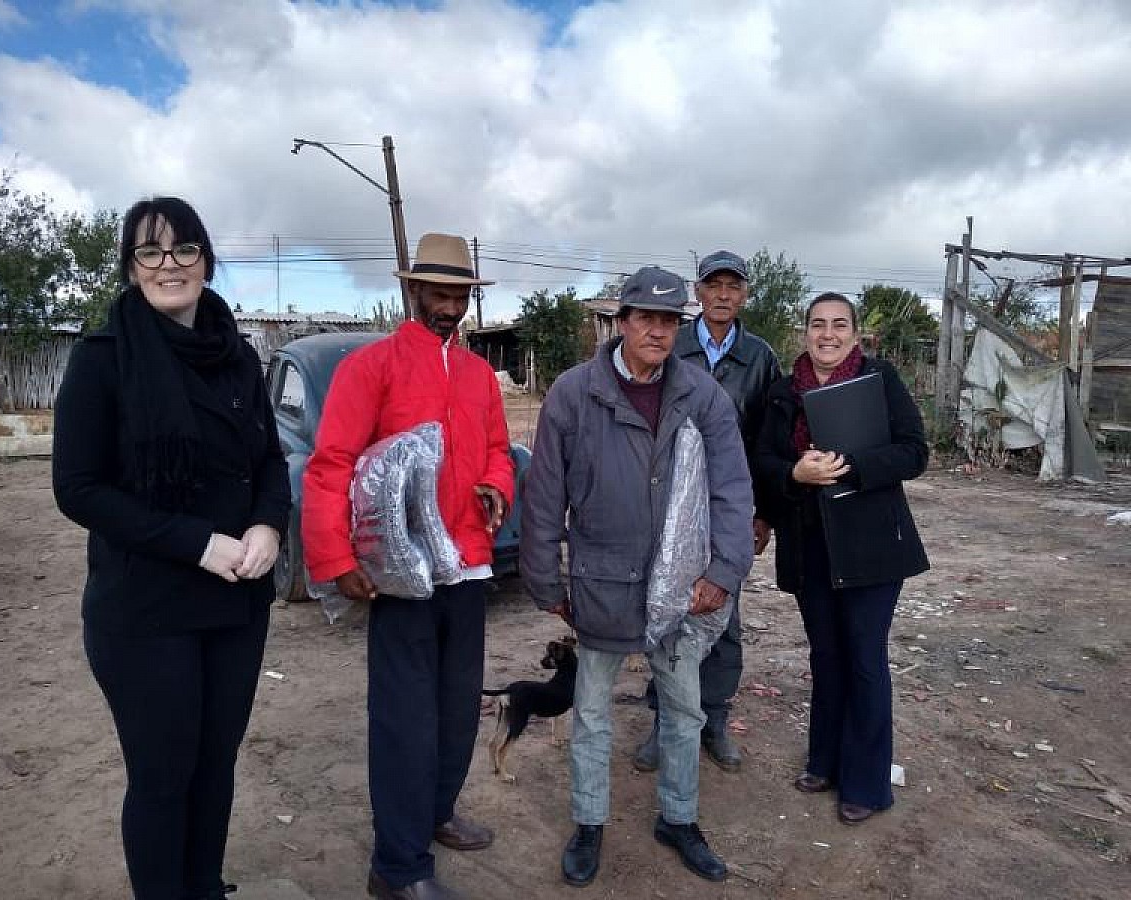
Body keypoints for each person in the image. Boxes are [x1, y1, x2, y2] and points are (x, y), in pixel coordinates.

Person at [53, 196, 290, 900]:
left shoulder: (237, 356)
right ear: (131, 268)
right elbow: (80, 489)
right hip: (146, 610)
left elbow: (271, 462)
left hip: (236, 603)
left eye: (184, 248)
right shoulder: (102, 362)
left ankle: (204, 887)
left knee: (215, 765)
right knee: (163, 775)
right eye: (150, 251)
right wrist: (196, 544)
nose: (169, 264)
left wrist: (269, 526)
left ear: (206, 260)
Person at [521, 267, 755, 887]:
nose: (657, 331)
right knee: (593, 710)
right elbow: (544, 496)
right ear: (620, 322)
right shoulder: (574, 394)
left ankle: (678, 818)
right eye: (645, 318)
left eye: (669, 321)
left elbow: (732, 489)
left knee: (683, 712)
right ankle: (589, 822)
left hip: (681, 589)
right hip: (601, 583)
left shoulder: (702, 396)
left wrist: (724, 572)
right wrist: (548, 582)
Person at [301, 233, 515, 900]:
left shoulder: (480, 376)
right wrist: (335, 558)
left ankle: (436, 812)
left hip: (467, 568)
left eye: (460, 296)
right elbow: (331, 465)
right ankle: (397, 865)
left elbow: (499, 450)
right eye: (439, 294)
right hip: (400, 577)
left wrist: (496, 487)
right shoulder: (372, 368)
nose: (449, 307)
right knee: (404, 719)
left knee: (457, 709)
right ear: (414, 292)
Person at [752, 292, 929, 824]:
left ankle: (868, 783)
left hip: (872, 545)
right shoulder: (783, 393)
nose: (827, 334)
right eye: (817, 324)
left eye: (839, 325)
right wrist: (793, 474)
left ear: (855, 333)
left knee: (864, 660)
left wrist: (849, 465)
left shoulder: (879, 382)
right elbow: (760, 458)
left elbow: (914, 452)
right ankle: (824, 762)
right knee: (826, 657)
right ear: (803, 331)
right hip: (810, 544)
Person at [635, 249, 781, 773]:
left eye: (732, 287)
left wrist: (763, 514)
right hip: (669, 501)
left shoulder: (760, 357)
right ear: (698, 292)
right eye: (713, 285)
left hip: (730, 506)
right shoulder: (673, 349)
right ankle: (664, 717)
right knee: (665, 606)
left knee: (724, 615)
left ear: (744, 295)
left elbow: (769, 440)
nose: (722, 296)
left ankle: (713, 716)